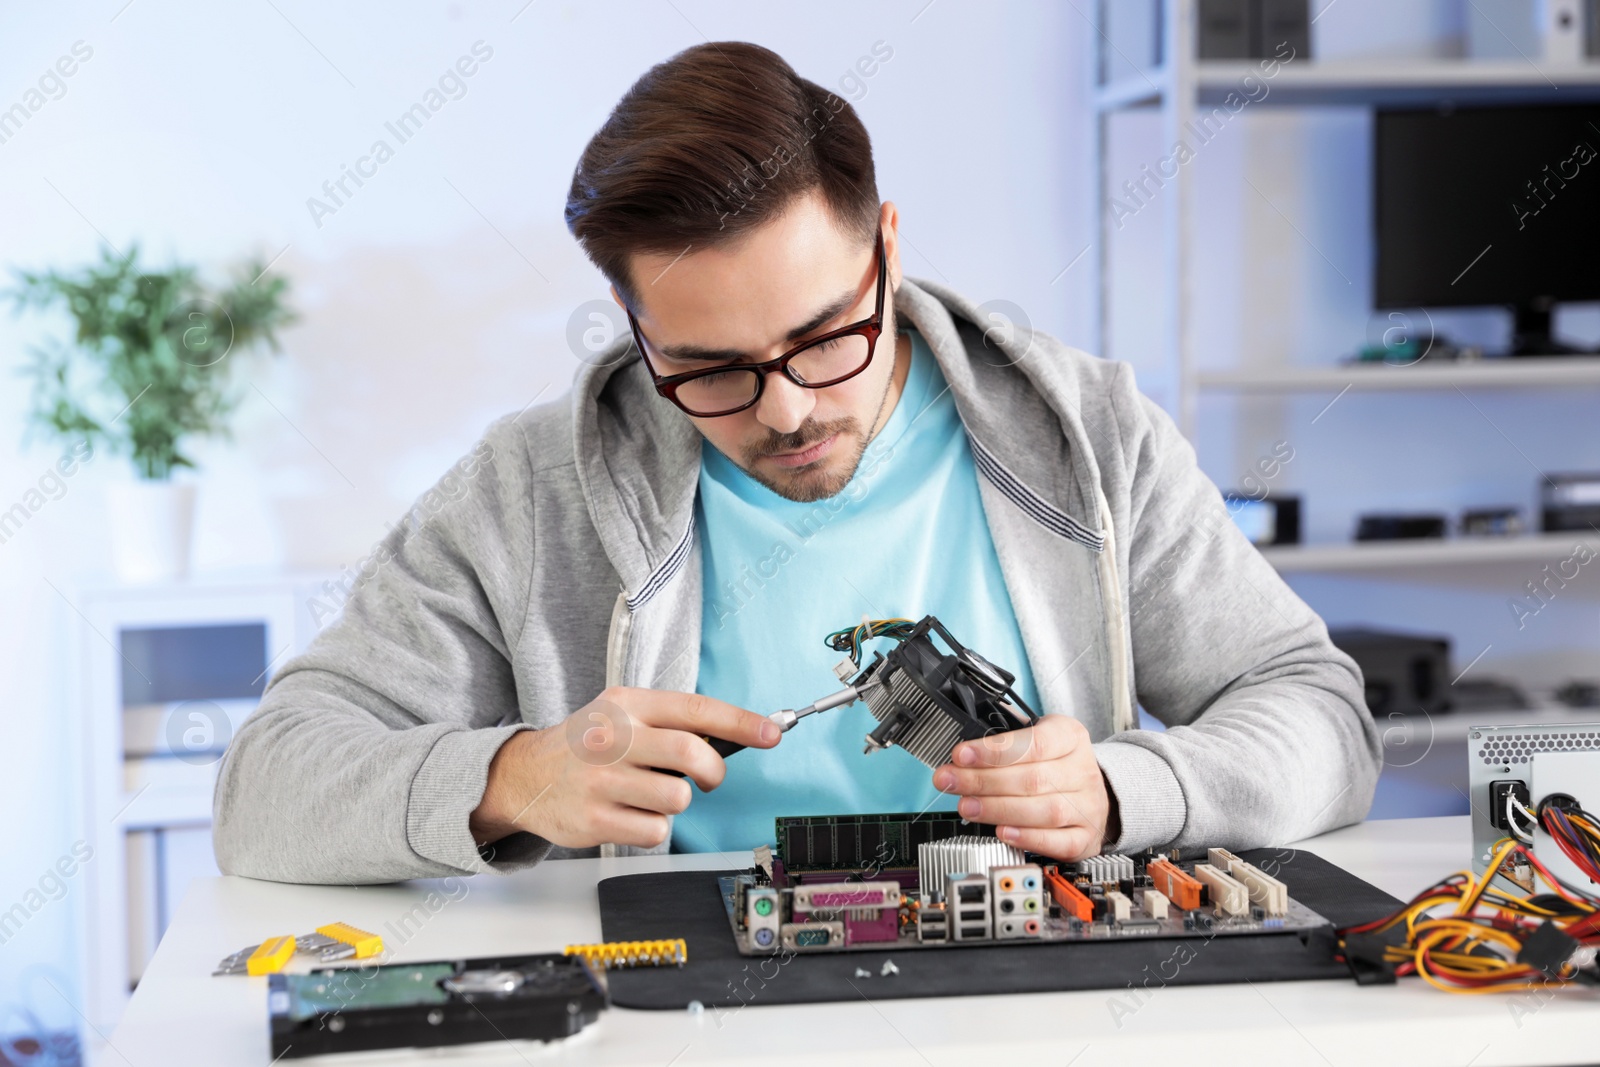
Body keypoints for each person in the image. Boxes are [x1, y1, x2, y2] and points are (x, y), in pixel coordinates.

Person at [213, 41, 1380, 884]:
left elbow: (1321, 716)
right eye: (711, 367)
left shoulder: (1089, 434)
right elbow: (264, 787)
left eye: (825, 338)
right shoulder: (526, 493)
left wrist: (1130, 789)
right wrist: (511, 776)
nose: (785, 409)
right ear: (632, 328)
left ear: (885, 245)